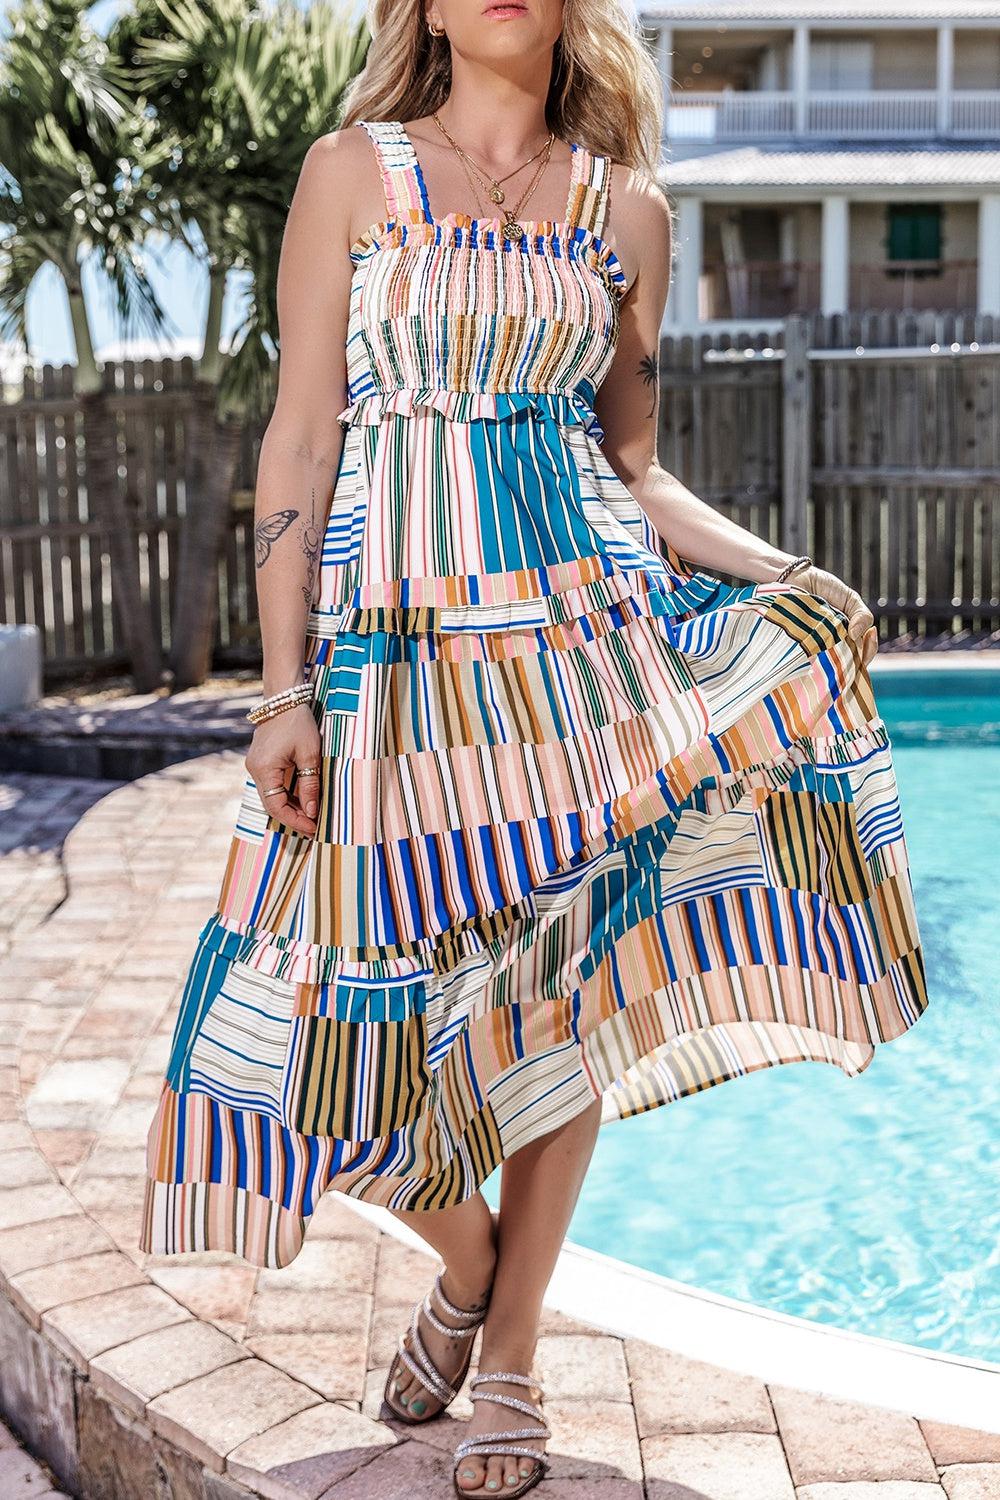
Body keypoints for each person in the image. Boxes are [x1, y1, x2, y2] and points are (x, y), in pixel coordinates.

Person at [140, 2, 929, 1495]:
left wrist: (783, 578)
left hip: (581, 660)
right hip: (390, 662)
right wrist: (280, 688)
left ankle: (508, 1356)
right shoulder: (351, 173)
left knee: (549, 1007)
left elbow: (629, 470)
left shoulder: (624, 204)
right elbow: (301, 436)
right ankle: (471, 1271)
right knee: (342, 1046)